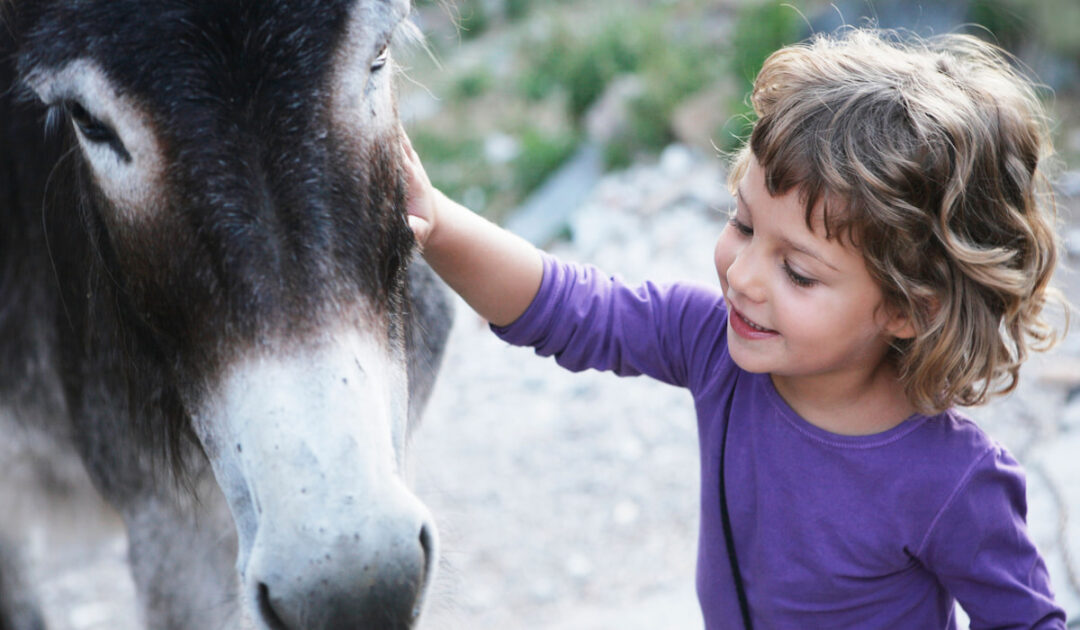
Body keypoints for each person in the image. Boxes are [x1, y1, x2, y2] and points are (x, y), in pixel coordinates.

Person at [401, 28, 1069, 629]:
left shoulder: (952, 480)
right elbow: (568, 307)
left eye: (798, 273)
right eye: (743, 225)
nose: (744, 277)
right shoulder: (715, 346)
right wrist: (434, 220)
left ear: (910, 308)